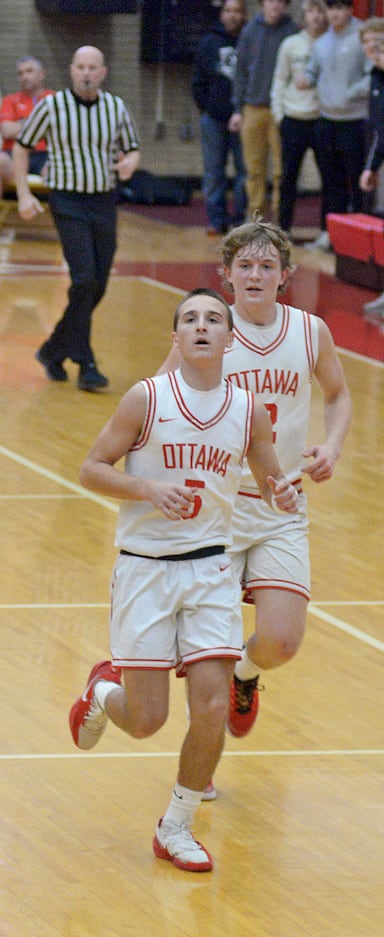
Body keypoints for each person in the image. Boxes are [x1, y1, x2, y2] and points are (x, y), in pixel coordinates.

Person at [68, 287, 300, 873]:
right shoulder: (146, 400)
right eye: (190, 319)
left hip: (211, 570)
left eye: (213, 320)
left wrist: (286, 490)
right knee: (147, 720)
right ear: (176, 337)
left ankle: (177, 824)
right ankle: (102, 692)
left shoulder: (248, 411)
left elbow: (273, 482)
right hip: (146, 569)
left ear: (230, 338)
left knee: (212, 707)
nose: (202, 327)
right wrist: (147, 488)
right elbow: (91, 468)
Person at [159, 219, 351, 750]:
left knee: (282, 642)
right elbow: (162, 405)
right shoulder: (208, 331)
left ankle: (248, 674)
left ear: (285, 275)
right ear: (226, 274)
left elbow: (338, 394)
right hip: (216, 509)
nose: (256, 274)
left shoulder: (309, 332)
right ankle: (200, 769)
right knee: (205, 652)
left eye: (267, 266)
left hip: (281, 505)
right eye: (245, 265)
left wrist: (331, 445)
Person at [13, 45, 140, 392]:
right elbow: (21, 147)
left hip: (103, 200)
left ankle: (53, 349)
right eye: (80, 66)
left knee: (97, 284)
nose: (86, 73)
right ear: (72, 70)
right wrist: (24, 193)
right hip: (67, 200)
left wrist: (131, 161)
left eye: (92, 67)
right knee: (83, 280)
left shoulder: (115, 107)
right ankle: (85, 362)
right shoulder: (52, 107)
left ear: (103, 72)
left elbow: (132, 147)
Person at [299, 0, 369, 252]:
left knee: (358, 182)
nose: (335, 14)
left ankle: (360, 240)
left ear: (349, 10)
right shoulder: (321, 43)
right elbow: (312, 71)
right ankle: (328, 234)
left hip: (354, 122)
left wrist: (350, 93)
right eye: (331, 9)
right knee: (330, 182)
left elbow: (372, 74)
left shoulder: (362, 37)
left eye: (340, 8)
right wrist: (306, 78)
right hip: (327, 121)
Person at [0, 55, 53, 244]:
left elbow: (59, 129)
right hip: (14, 154)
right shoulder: (10, 100)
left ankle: (67, 226)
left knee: (59, 167)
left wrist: (22, 124)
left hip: (46, 154)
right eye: (20, 73)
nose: (24, 76)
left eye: (29, 71)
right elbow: (7, 130)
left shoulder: (54, 99)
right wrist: (40, 124)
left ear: (41, 75)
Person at [230, 0, 298, 223]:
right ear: (263, 3)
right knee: (253, 168)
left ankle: (280, 217)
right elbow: (240, 71)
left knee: (281, 170)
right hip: (253, 108)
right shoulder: (250, 30)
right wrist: (238, 109)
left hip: (283, 110)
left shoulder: (293, 32)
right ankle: (255, 217)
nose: (275, 5)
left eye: (280, 1)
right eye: (271, 1)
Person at [270, 0, 328, 239]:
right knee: (288, 177)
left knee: (329, 177)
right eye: (311, 12)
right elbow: (279, 80)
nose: (315, 17)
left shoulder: (328, 44)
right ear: (304, 16)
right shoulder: (290, 45)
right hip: (293, 117)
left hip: (322, 118)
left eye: (319, 11)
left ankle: (327, 231)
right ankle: (283, 229)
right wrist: (279, 115)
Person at [191, 0, 248, 236]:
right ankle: (217, 220)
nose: (232, 16)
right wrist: (207, 108)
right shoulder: (208, 42)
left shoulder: (250, 40)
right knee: (214, 172)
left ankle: (242, 220)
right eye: (228, 11)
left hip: (244, 118)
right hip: (214, 118)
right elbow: (198, 81)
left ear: (244, 15)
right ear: (221, 14)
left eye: (237, 11)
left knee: (245, 171)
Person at [357, 18, 384, 315]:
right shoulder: (375, 76)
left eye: (378, 42)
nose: (372, 48)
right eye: (367, 42)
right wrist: (372, 166)